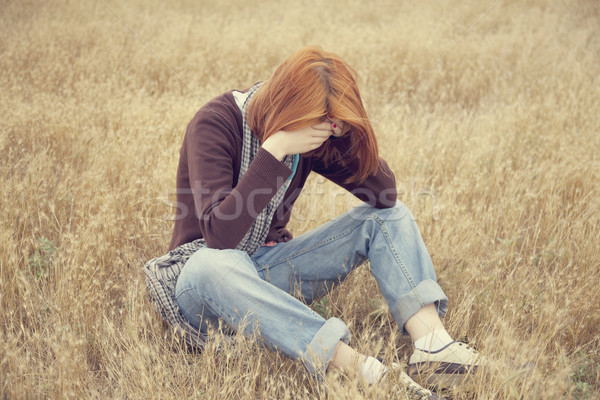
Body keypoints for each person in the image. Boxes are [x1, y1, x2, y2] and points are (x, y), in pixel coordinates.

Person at [144, 46, 485, 400]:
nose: (322, 133)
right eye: (319, 123)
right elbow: (218, 236)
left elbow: (384, 195)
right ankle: (365, 372)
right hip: (204, 284)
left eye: (331, 124)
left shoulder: (311, 138)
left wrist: (346, 134)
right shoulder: (215, 122)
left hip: (268, 270)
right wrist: (273, 151)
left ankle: (435, 348)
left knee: (389, 217)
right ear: (287, 107)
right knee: (213, 264)